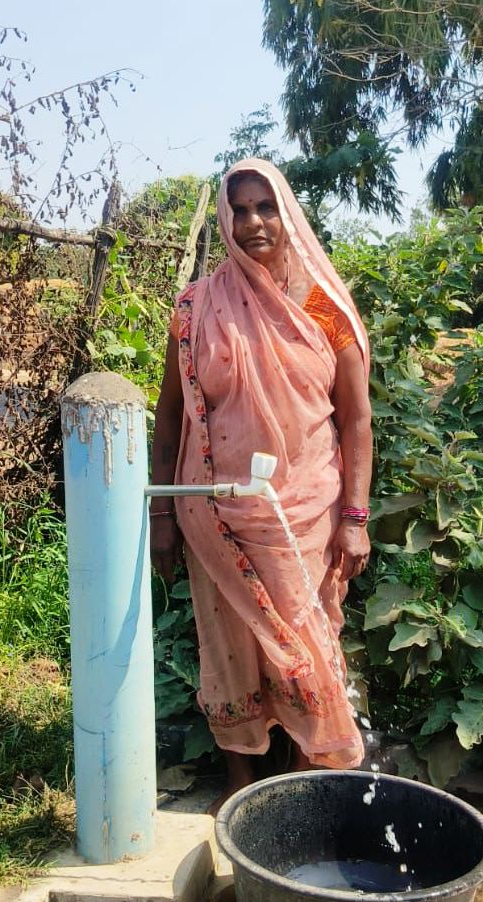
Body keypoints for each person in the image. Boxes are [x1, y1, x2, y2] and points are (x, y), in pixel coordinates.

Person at [149, 158, 373, 799]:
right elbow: (170, 417)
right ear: (224, 219)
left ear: (287, 214)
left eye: (265, 207)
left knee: (307, 649)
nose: (253, 222)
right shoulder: (196, 309)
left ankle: (304, 793)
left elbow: (357, 421)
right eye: (239, 209)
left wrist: (356, 519)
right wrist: (162, 516)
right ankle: (241, 794)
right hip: (213, 516)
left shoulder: (325, 309)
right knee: (228, 653)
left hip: (303, 516)